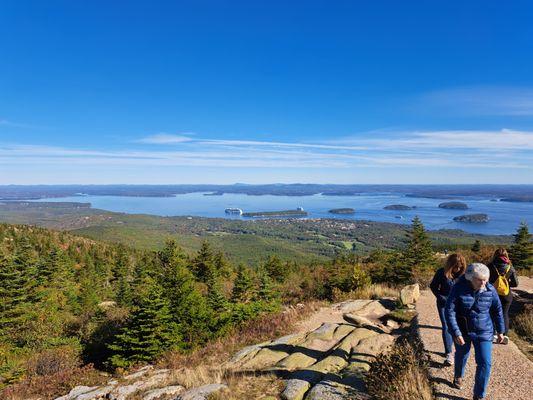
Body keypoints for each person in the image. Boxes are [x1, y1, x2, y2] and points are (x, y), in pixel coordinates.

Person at [445, 263, 505, 400]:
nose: (483, 282)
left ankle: (479, 395)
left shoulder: (490, 289)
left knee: (485, 362)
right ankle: (458, 376)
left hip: (484, 331)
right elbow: (450, 311)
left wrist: (501, 330)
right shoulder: (458, 288)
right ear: (470, 278)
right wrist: (456, 332)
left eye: (485, 279)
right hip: (463, 330)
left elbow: (497, 310)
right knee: (462, 355)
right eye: (479, 279)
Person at [429, 253, 466, 366]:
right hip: (444, 304)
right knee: (446, 326)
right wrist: (440, 297)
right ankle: (449, 353)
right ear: (450, 265)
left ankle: (460, 351)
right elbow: (433, 286)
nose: (458, 269)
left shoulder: (464, 275)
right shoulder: (441, 272)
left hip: (458, 304)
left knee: (459, 326)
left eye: (460, 267)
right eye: (456, 267)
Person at [488, 248, 518, 344]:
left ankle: (493, 334)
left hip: (492, 294)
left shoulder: (490, 266)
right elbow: (516, 283)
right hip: (506, 295)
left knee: (492, 313)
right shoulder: (510, 267)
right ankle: (504, 335)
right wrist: (506, 284)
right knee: (504, 314)